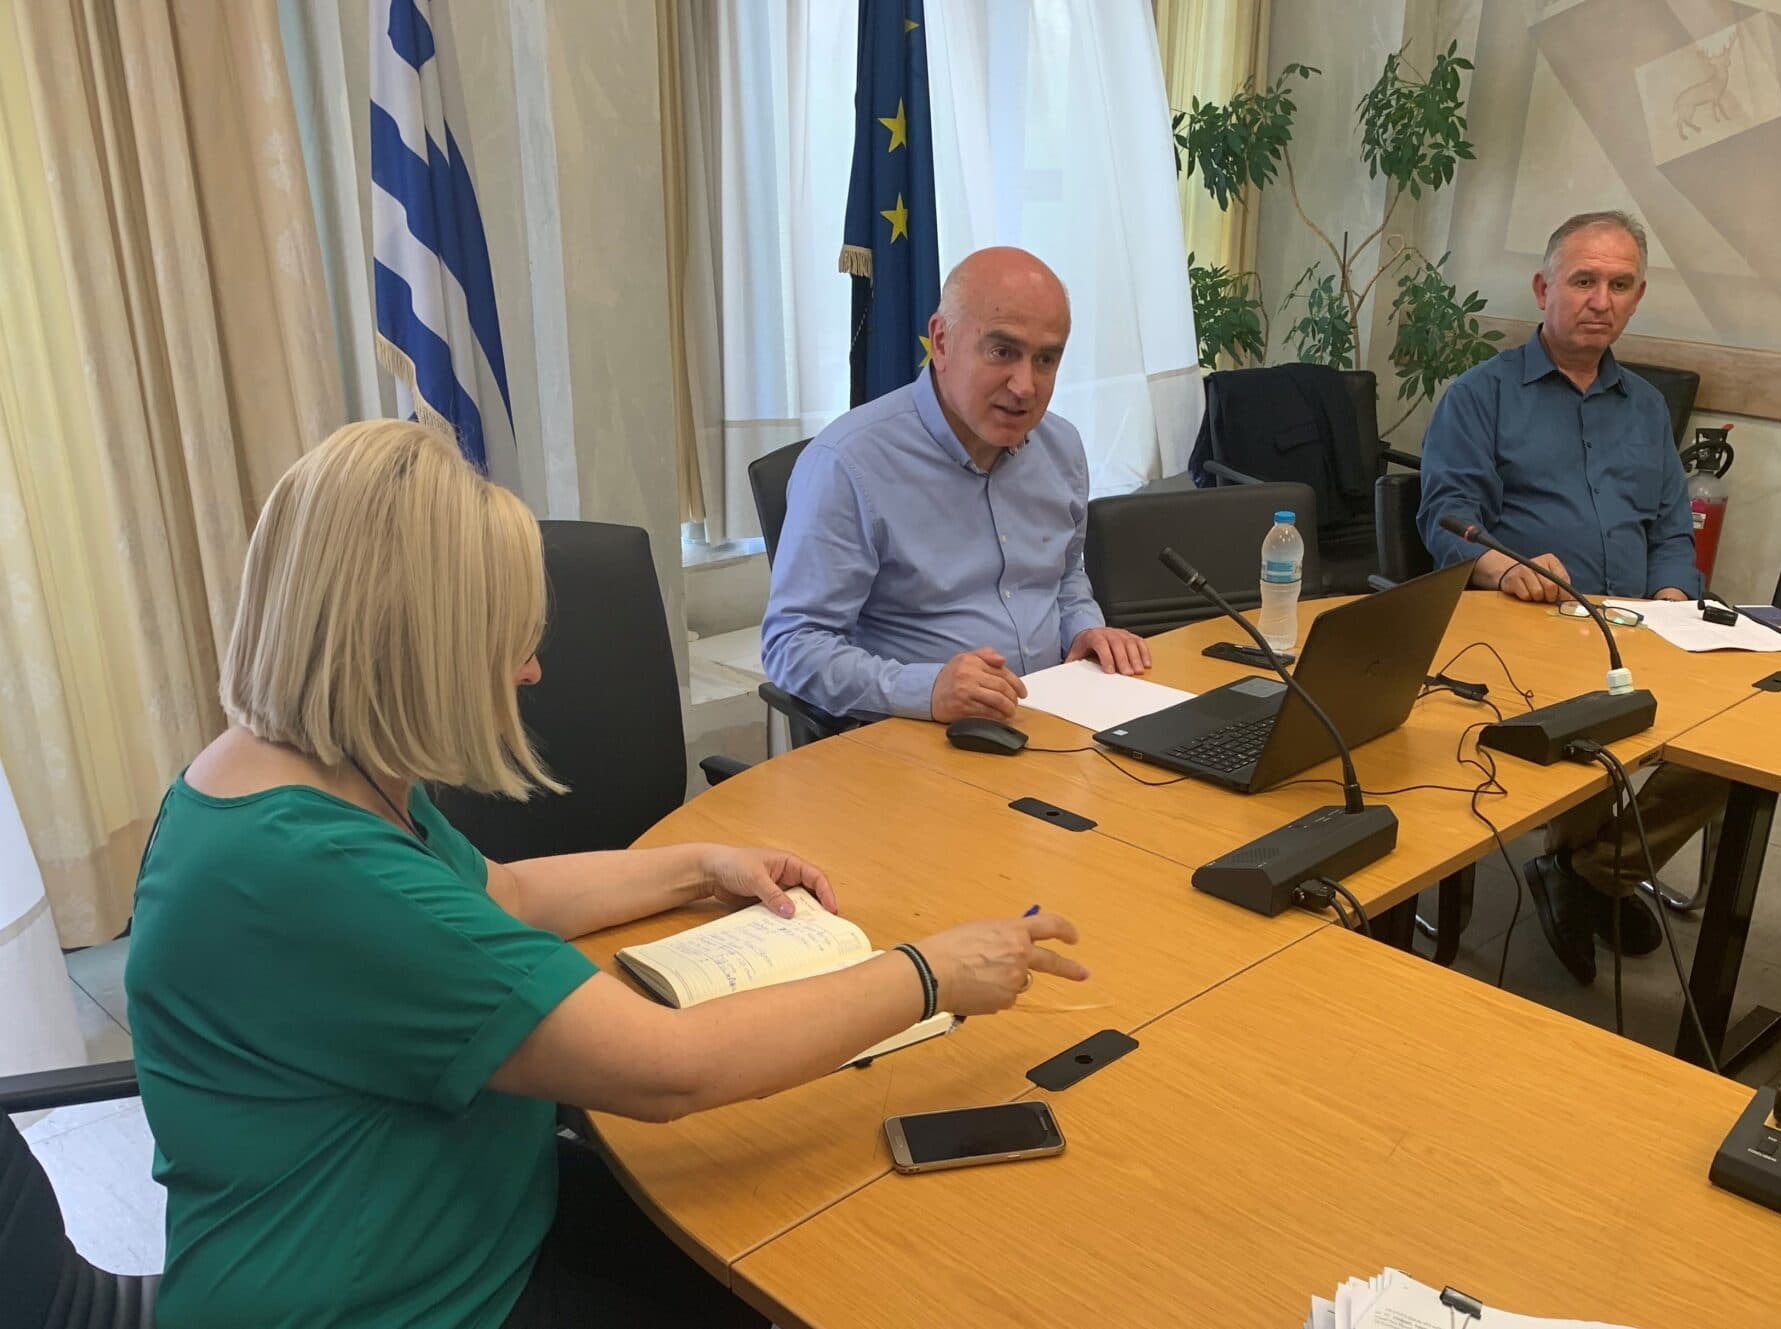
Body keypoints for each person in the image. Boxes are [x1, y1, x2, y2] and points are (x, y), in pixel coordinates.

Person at [126, 420, 1088, 1328]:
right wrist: (929, 973)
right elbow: (669, 1069)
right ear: (411, 651)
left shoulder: (289, 770)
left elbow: (501, 894)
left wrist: (696, 866)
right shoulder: (319, 870)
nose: (531, 672)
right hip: (406, 1301)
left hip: (452, 1216)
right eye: (506, 641)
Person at [1417, 209, 1726, 986]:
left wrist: (1672, 598)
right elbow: (1445, 516)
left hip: (1639, 623)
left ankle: (1590, 869)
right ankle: (1584, 868)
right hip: (1528, 627)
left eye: (1620, 285)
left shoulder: (1645, 407)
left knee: (1736, 741)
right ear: (1543, 288)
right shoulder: (1481, 395)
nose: (1600, 300)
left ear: (1638, 296)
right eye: (1584, 280)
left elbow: (1670, 527)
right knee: (1591, 728)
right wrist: (1502, 566)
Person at [761, 246, 1151, 725]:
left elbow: (1065, 578)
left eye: (1046, 359)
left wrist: (1085, 630)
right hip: (916, 736)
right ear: (941, 342)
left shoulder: (1061, 446)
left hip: (1055, 717)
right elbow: (793, 646)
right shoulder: (847, 464)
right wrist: (925, 691)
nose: (1025, 386)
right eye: (1002, 352)